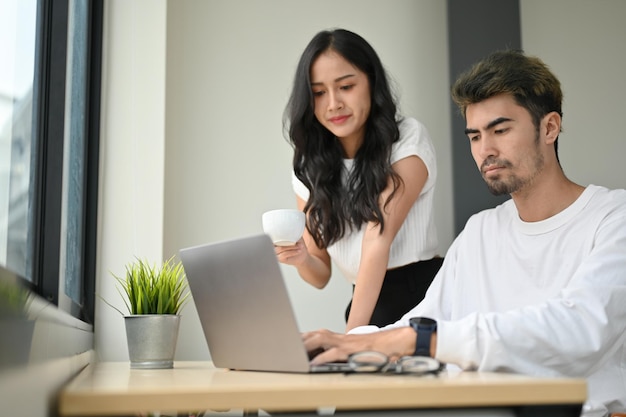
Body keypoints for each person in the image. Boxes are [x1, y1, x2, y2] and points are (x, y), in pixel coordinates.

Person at [302, 49, 626, 417]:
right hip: (484, 408)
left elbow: (578, 329)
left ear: (549, 127)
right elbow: (423, 321)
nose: (485, 150)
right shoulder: (481, 231)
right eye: (474, 136)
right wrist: (333, 346)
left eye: (500, 130)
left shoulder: (614, 218)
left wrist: (416, 340)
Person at [277, 28, 442, 332]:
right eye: (318, 92)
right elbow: (320, 274)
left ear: (371, 82)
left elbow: (377, 239)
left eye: (346, 86)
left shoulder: (406, 139)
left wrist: (350, 341)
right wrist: (301, 257)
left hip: (423, 299)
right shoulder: (309, 164)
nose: (333, 104)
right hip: (365, 306)